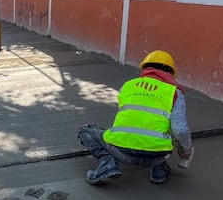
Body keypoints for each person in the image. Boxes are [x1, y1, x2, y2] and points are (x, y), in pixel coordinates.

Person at [78, 50, 193, 186]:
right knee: (165, 134)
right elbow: (180, 129)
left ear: (145, 69)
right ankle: (159, 170)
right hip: (156, 155)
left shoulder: (127, 86)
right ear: (171, 73)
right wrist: (186, 151)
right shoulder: (175, 93)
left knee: (86, 131)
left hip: (122, 152)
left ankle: (107, 163)